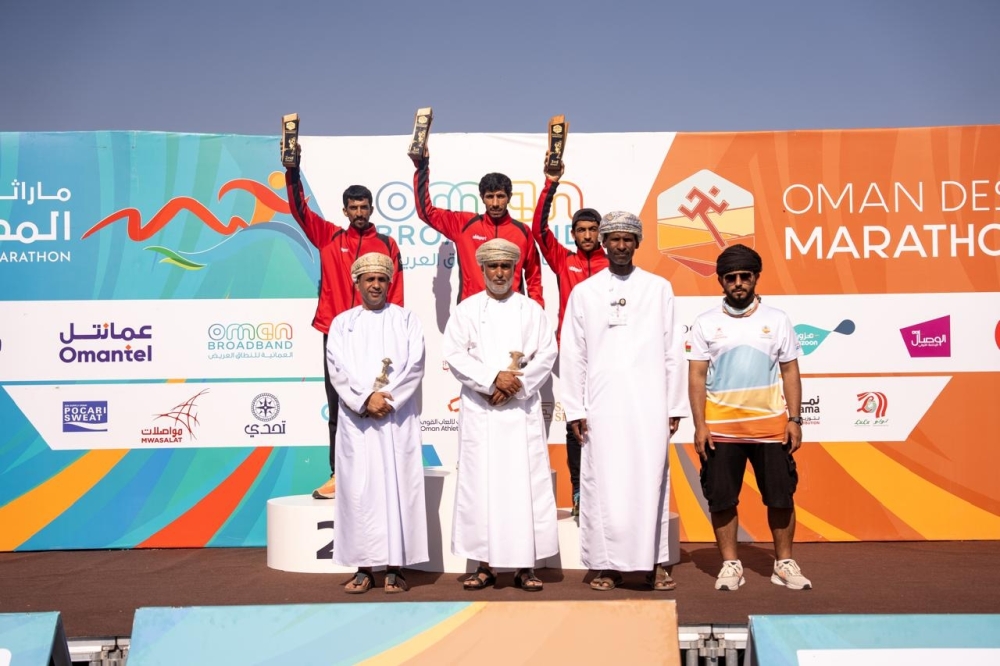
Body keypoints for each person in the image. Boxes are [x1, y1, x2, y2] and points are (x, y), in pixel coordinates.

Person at [561, 211, 688, 592]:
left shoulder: (658, 288)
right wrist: (576, 408)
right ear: (602, 242)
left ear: (638, 243)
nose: (620, 246)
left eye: (627, 239)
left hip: (649, 404)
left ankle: (654, 563)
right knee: (603, 485)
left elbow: (672, 350)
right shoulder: (585, 292)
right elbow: (573, 354)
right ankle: (605, 565)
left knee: (650, 482)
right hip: (601, 405)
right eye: (613, 239)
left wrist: (674, 405)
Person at [687, 244, 811, 591]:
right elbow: (696, 376)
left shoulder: (777, 319)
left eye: (745, 276)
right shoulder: (705, 323)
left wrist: (795, 419)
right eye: (731, 278)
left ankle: (784, 564)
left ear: (756, 277)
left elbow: (790, 371)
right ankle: (730, 564)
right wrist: (700, 425)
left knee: (781, 497)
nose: (738, 283)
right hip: (721, 430)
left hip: (771, 428)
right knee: (722, 498)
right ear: (721, 281)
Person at [286, 145, 404, 500]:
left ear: (371, 208)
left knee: (381, 399)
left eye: (363, 207)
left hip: (378, 335)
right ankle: (339, 474)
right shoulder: (329, 236)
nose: (358, 213)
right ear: (344, 211)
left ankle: (384, 471)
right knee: (339, 405)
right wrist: (292, 170)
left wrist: (394, 331)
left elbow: (395, 291)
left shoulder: (386, 243)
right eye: (352, 208)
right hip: (336, 335)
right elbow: (299, 210)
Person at [442, 238, 559, 591]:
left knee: (524, 487)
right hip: (482, 411)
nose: (499, 273)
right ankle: (485, 564)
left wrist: (514, 386)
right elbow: (454, 355)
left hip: (519, 412)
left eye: (506, 267)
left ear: (515, 270)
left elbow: (546, 355)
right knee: (482, 488)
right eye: (493, 266)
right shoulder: (465, 310)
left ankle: (525, 566)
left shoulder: (531, 311)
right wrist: (492, 380)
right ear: (482, 270)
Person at [325, 252, 428, 593]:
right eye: (368, 279)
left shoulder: (406, 320)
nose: (375, 285)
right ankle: (363, 567)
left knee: (398, 489)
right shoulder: (342, 324)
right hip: (359, 423)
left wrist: (388, 399)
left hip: (396, 421)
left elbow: (415, 365)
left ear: (389, 283)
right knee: (358, 492)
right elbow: (336, 369)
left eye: (381, 279)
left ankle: (396, 568)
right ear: (356, 283)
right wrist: (364, 400)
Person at [531, 157, 608, 518]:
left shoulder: (615, 265)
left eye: (594, 229)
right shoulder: (563, 260)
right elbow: (537, 228)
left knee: (609, 425)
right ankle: (578, 493)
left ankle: (605, 493)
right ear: (574, 234)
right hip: (573, 356)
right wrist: (551, 183)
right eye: (582, 230)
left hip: (609, 357)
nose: (588, 235)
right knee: (577, 423)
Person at [410, 145, 543, 307]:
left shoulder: (522, 231)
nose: (495, 203)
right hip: (472, 311)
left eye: (500, 196)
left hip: (513, 310)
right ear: (482, 197)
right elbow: (426, 212)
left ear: (509, 197)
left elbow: (534, 277)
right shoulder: (464, 224)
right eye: (490, 197)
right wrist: (423, 168)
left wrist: (537, 310)